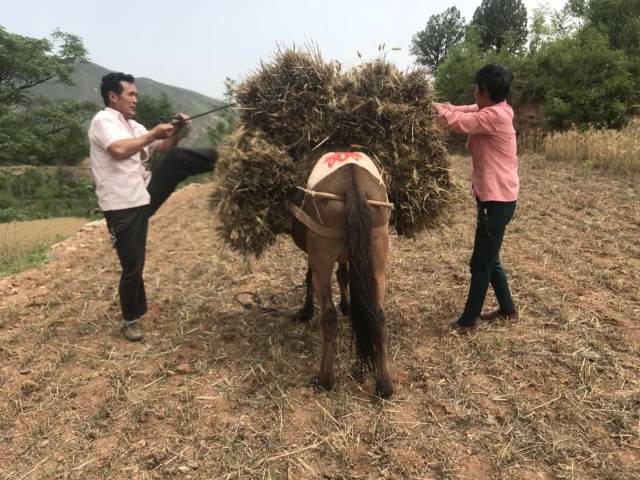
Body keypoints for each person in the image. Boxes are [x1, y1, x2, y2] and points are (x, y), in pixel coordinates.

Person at [89, 72, 218, 341]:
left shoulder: (133, 126)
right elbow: (119, 150)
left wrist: (176, 130)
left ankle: (231, 159)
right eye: (130, 94)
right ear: (113, 96)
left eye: (135, 94)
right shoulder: (103, 121)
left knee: (178, 157)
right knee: (133, 265)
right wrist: (151, 134)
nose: (135, 99)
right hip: (122, 204)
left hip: (144, 193)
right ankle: (130, 319)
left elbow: (164, 147)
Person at [434, 63, 519, 333]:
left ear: (483, 90)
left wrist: (434, 111)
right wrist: (440, 104)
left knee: (480, 263)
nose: (473, 93)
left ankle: (468, 321)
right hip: (495, 198)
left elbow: (456, 122)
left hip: (497, 202)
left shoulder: (494, 117)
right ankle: (508, 310)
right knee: (491, 259)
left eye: (476, 88)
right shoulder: (495, 108)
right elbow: (465, 110)